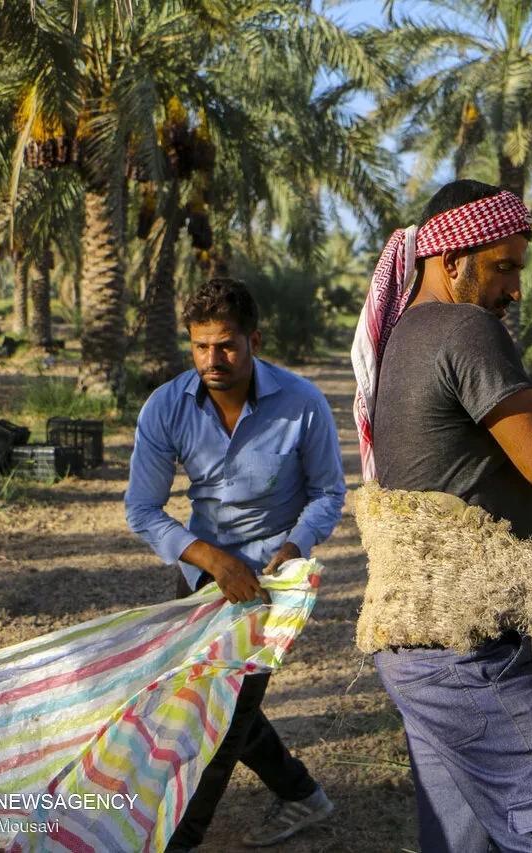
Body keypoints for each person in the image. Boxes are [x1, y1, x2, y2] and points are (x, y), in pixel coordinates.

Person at [351, 180, 532, 852]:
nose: (515, 290)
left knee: (461, 842)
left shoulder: (408, 336)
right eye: (503, 267)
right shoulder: (467, 328)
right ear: (452, 260)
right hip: (465, 651)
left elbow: (465, 485)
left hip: (416, 651)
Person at [125, 277, 347, 851]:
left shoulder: (302, 403)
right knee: (199, 696)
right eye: (200, 346)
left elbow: (328, 492)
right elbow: (142, 508)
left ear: (254, 340)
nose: (211, 360)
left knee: (220, 717)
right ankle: (301, 792)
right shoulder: (166, 405)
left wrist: (293, 549)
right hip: (201, 576)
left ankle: (181, 839)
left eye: (225, 345)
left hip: (270, 584)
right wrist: (210, 560)